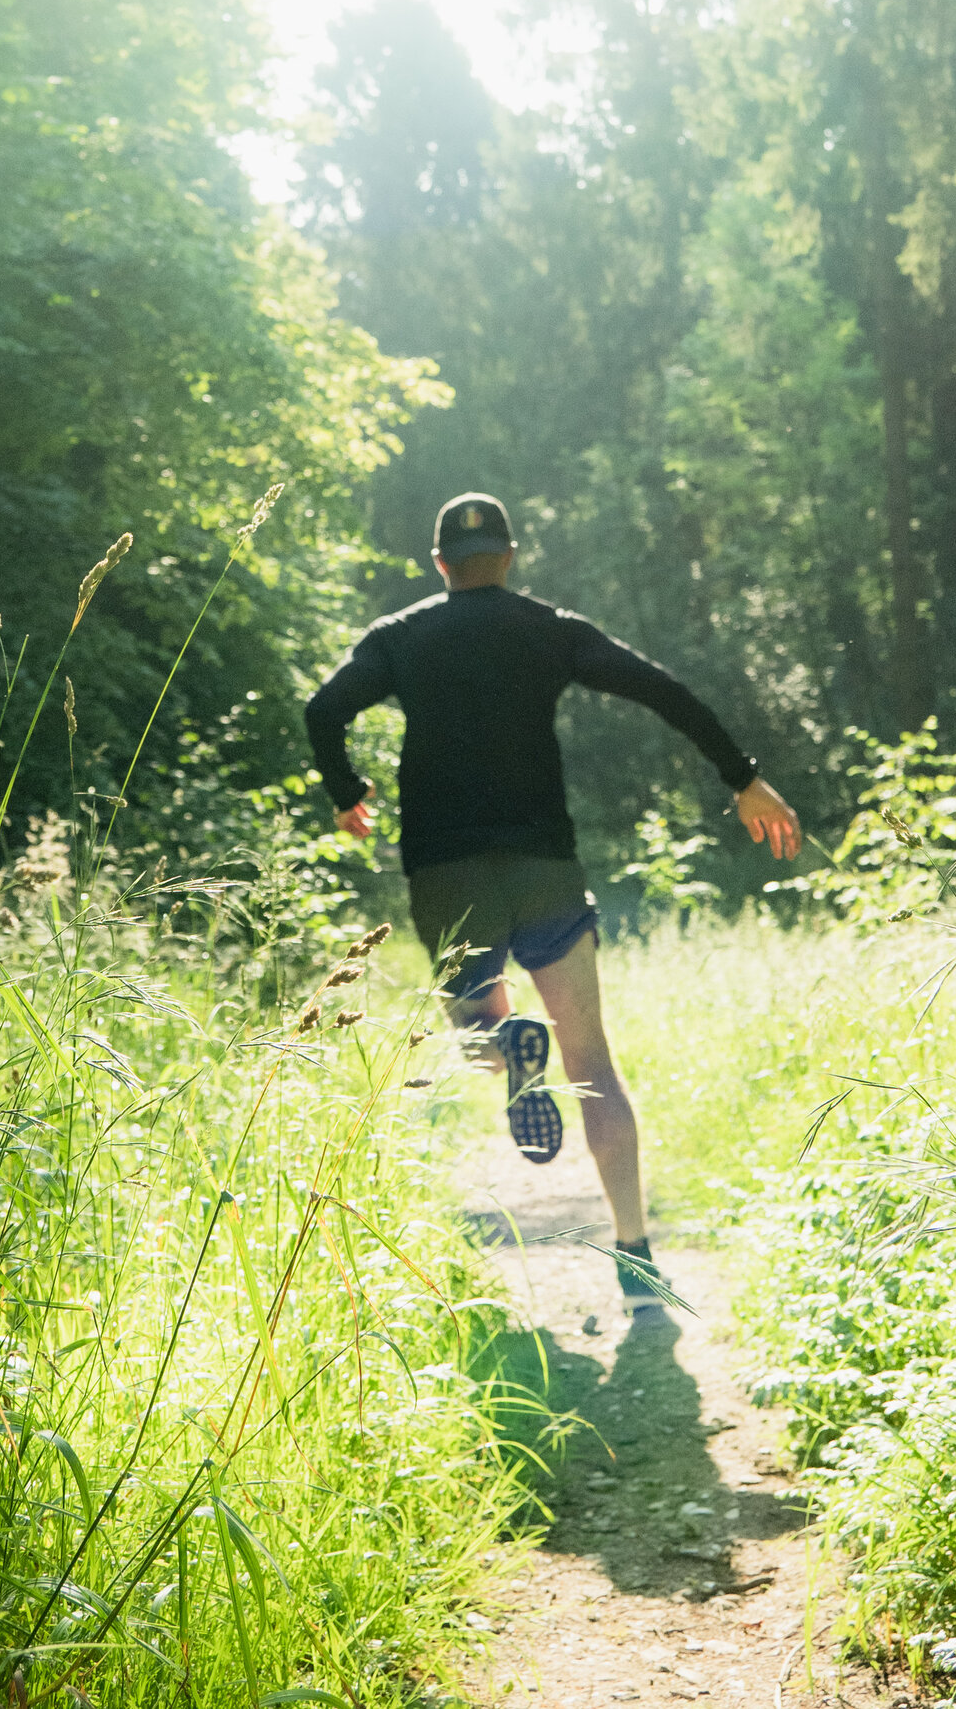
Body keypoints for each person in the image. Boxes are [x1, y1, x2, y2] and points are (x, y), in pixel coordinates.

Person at [305, 491, 801, 1312]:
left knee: (475, 1033)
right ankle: (637, 1260)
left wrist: (344, 788)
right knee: (595, 1063)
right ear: (509, 554)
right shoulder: (551, 628)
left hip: (446, 871)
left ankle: (507, 1045)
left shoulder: (400, 637)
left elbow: (323, 707)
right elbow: (661, 689)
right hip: (545, 867)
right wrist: (743, 777)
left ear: (441, 564)